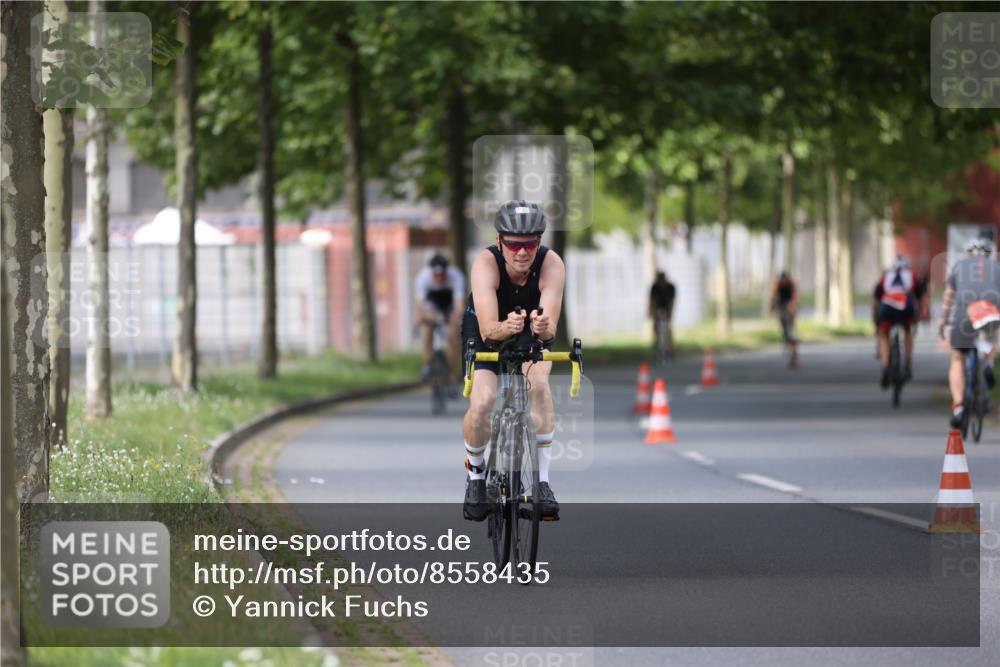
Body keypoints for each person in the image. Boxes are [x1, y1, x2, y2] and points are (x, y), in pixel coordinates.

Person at [460, 200, 566, 521]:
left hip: (530, 331)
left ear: (539, 243)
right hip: (487, 331)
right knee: (483, 401)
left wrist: (543, 328)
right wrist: (506, 327)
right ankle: (476, 476)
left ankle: (542, 483)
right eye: (514, 244)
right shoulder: (485, 264)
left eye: (530, 244)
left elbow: (549, 330)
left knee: (539, 386)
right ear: (499, 242)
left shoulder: (551, 264)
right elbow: (489, 330)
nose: (522, 252)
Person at [939, 237, 1000, 428]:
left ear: (967, 254)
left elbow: (949, 296)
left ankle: (958, 408)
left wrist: (943, 320)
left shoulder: (958, 266)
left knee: (958, 357)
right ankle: (989, 362)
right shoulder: (997, 267)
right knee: (993, 336)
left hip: (965, 312)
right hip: (991, 310)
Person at [872, 255, 924, 387]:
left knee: (884, 334)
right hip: (905, 307)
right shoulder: (912, 276)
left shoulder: (886, 276)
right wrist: (917, 319)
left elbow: (876, 300)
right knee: (907, 331)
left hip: (887, 307)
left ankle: (885, 366)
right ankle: (907, 365)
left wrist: (875, 321)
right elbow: (919, 300)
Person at [414, 253, 465, 381]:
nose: (439, 278)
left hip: (449, 304)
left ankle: (453, 373)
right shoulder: (422, 278)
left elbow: (459, 306)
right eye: (436, 275)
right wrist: (421, 318)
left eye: (442, 275)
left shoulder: (456, 276)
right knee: (426, 329)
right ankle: (427, 364)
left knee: (453, 333)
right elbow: (421, 305)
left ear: (447, 271)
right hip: (433, 304)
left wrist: (455, 318)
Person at [769, 271, 799, 369]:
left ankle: (791, 339)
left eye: (785, 280)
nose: (783, 282)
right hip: (781, 304)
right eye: (782, 281)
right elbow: (773, 296)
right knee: (782, 321)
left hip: (790, 305)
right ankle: (785, 335)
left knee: (791, 328)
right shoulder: (777, 284)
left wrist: (793, 307)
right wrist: (771, 307)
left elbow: (795, 296)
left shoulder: (791, 284)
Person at [649, 271, 676, 360]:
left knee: (668, 327)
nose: (661, 283)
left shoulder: (670, 287)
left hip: (667, 307)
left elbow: (672, 302)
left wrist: (670, 313)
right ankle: (656, 341)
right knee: (655, 325)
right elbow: (652, 301)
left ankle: (671, 347)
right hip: (658, 307)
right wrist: (651, 312)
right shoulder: (654, 287)